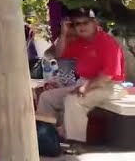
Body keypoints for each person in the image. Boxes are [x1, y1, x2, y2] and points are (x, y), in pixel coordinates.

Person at [36, 8, 125, 143]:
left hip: (108, 86)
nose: (81, 27)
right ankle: (46, 138)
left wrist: (85, 88)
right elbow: (59, 55)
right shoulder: (80, 42)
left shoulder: (107, 42)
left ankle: (75, 143)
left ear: (94, 23)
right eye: (77, 24)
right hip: (86, 83)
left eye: (85, 23)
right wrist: (64, 33)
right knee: (46, 97)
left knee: (73, 100)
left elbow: (108, 76)